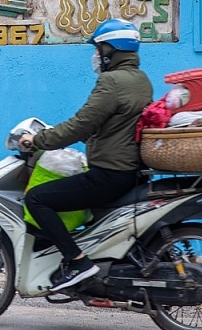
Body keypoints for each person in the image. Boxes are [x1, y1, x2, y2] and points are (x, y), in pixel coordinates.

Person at [18, 19, 153, 291]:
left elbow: (83, 122)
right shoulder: (140, 80)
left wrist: (39, 139)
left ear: (111, 49)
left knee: (36, 198)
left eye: (98, 48)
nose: (95, 55)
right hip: (128, 171)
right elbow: (108, 124)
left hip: (109, 173)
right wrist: (77, 134)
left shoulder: (111, 81)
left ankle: (78, 262)